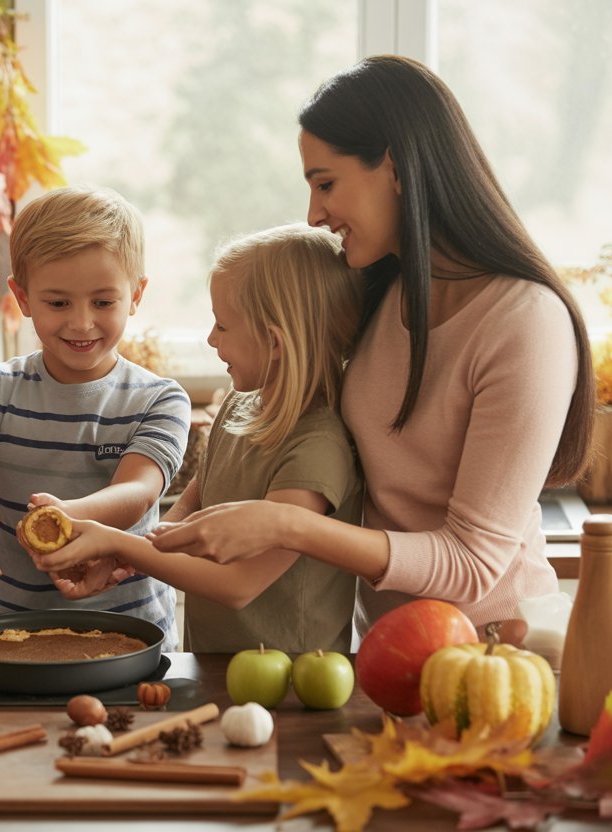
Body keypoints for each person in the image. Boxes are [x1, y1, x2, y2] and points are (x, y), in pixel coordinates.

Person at [148, 55, 596, 640]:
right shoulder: (377, 291)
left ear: (397, 167)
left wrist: (286, 526)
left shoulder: (526, 324)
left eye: (326, 184)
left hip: (495, 649)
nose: (313, 215)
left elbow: (471, 564)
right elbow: (281, 358)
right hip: (386, 649)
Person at [32, 224, 364, 653]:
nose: (210, 338)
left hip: (293, 683)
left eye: (222, 326)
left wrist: (116, 539)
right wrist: (129, 555)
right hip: (214, 663)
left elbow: (239, 584)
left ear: (275, 342)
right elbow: (196, 500)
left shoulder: (318, 448)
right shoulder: (237, 407)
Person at [0, 185, 191, 648]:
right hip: (15, 638)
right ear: (22, 298)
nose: (81, 323)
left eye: (103, 302)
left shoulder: (160, 399)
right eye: (58, 303)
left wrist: (66, 517)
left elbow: (138, 492)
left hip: (136, 641)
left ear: (136, 294)